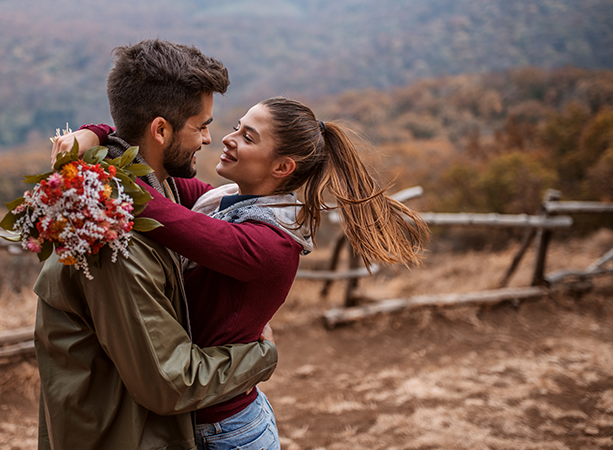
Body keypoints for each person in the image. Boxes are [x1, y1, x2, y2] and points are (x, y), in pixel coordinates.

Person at [54, 97, 428, 449]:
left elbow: (147, 202)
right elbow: (149, 165)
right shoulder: (224, 200)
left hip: (228, 430)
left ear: (282, 168)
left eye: (248, 137)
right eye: (237, 126)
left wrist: (91, 148)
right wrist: (94, 134)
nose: (227, 139)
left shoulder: (268, 245)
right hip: (199, 415)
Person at [33, 39, 280, 450]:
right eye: (201, 126)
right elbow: (169, 382)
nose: (208, 139)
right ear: (161, 130)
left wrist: (94, 133)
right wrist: (261, 355)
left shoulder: (151, 185)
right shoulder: (113, 239)